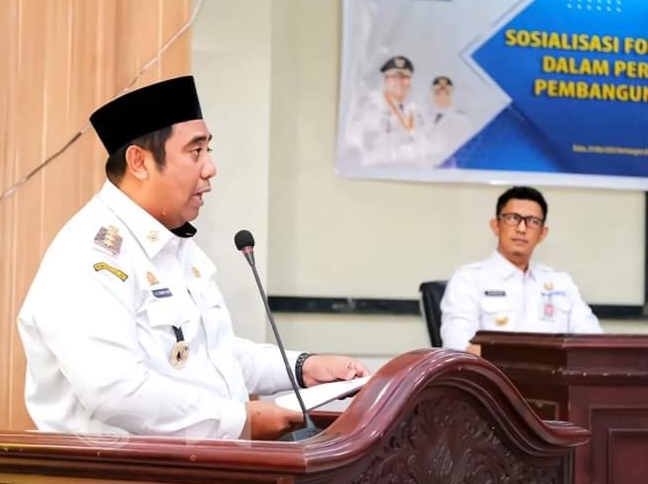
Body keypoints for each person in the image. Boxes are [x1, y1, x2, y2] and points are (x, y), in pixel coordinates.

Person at [17, 76, 369, 441]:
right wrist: (239, 420)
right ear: (139, 162)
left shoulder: (174, 244)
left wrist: (301, 368)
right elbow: (115, 391)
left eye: (208, 150)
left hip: (200, 460)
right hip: (117, 467)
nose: (210, 168)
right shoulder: (89, 256)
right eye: (195, 151)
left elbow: (212, 355)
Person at [440, 186, 602, 355]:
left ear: (542, 233)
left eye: (533, 221)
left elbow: (593, 343)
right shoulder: (468, 279)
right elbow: (459, 349)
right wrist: (528, 360)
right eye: (513, 218)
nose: (522, 229)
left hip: (554, 372)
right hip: (494, 373)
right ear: (496, 226)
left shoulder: (561, 283)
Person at [351, 55, 427, 166]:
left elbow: (424, 143)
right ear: (385, 80)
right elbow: (355, 142)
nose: (400, 82)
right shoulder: (371, 107)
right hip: (377, 170)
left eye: (405, 77)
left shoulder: (416, 110)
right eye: (394, 77)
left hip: (410, 169)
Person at [426, 76, 472, 168]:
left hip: (451, 165)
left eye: (447, 93)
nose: (442, 97)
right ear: (432, 95)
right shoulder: (423, 115)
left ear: (452, 95)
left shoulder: (461, 118)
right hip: (425, 165)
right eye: (438, 93)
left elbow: (466, 145)